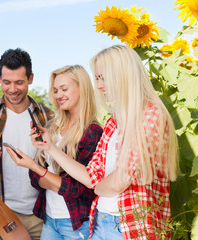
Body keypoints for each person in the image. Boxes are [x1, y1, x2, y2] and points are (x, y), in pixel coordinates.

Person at [21, 45, 178, 239]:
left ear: (122, 74)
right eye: (97, 79)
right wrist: (50, 148)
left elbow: (119, 180)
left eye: (103, 78)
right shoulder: (113, 122)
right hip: (101, 220)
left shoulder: (151, 114)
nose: (100, 86)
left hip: (128, 226)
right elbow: (90, 176)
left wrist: (99, 186)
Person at [5, 65, 103, 240]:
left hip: (76, 223)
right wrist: (52, 179)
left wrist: (35, 167)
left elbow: (76, 188)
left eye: (64, 89)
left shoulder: (93, 132)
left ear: (83, 88)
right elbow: (34, 178)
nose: (58, 95)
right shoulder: (53, 127)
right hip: (50, 219)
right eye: (56, 90)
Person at [0, 48, 54, 239]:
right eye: (7, 82)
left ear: (30, 79)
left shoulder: (48, 117)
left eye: (19, 82)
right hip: (2, 214)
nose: (12, 89)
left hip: (42, 214)